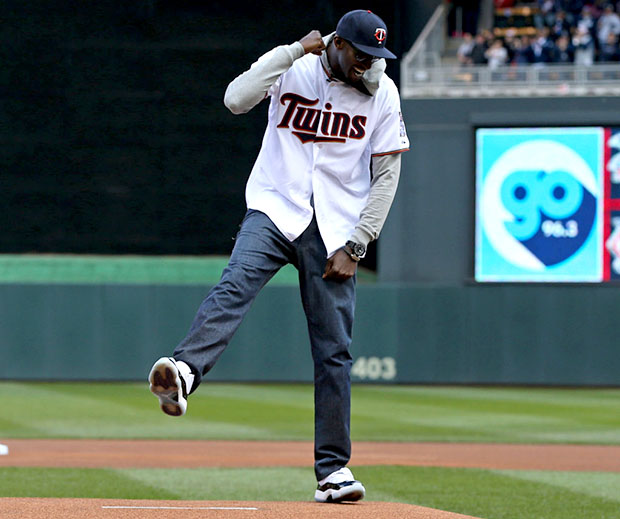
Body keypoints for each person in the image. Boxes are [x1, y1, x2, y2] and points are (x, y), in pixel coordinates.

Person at [148, 9, 409, 504]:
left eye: (377, 56)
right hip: (275, 205)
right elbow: (235, 100)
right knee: (234, 286)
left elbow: (387, 174)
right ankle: (183, 373)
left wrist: (358, 244)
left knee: (334, 351)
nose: (370, 64)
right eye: (361, 53)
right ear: (336, 44)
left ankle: (333, 472)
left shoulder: (384, 93)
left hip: (334, 228)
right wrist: (293, 50)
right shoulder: (294, 67)